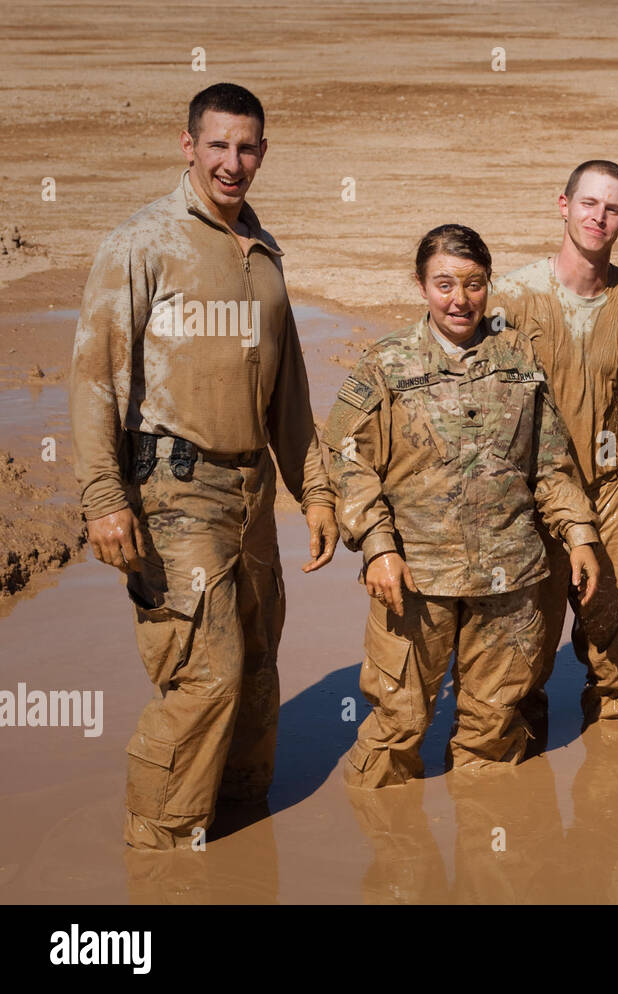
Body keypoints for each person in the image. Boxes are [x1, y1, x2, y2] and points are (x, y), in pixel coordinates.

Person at [70, 82, 339, 850]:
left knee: (256, 665)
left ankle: (239, 825)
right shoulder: (142, 241)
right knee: (206, 667)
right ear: (187, 146)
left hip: (251, 490)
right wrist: (102, 496)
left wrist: (313, 489)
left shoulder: (262, 250)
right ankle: (158, 845)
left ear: (263, 151)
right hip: (171, 486)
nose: (232, 161)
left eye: (246, 146)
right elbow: (95, 376)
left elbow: (289, 389)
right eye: (217, 145)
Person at [322, 224, 602, 784]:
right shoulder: (387, 364)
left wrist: (580, 534)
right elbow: (347, 460)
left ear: (488, 285)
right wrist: (378, 548)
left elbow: (551, 464)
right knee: (394, 735)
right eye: (444, 283)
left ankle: (488, 852)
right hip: (414, 580)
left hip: (509, 580)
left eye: (474, 285)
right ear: (421, 285)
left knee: (493, 736)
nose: (460, 299)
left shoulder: (520, 361)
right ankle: (391, 856)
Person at [487, 160, 618, 739]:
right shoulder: (507, 296)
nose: (598, 217)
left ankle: (610, 740)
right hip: (526, 498)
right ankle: (517, 751)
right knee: (518, 646)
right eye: (588, 204)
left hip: (606, 490)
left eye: (612, 209)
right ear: (564, 205)